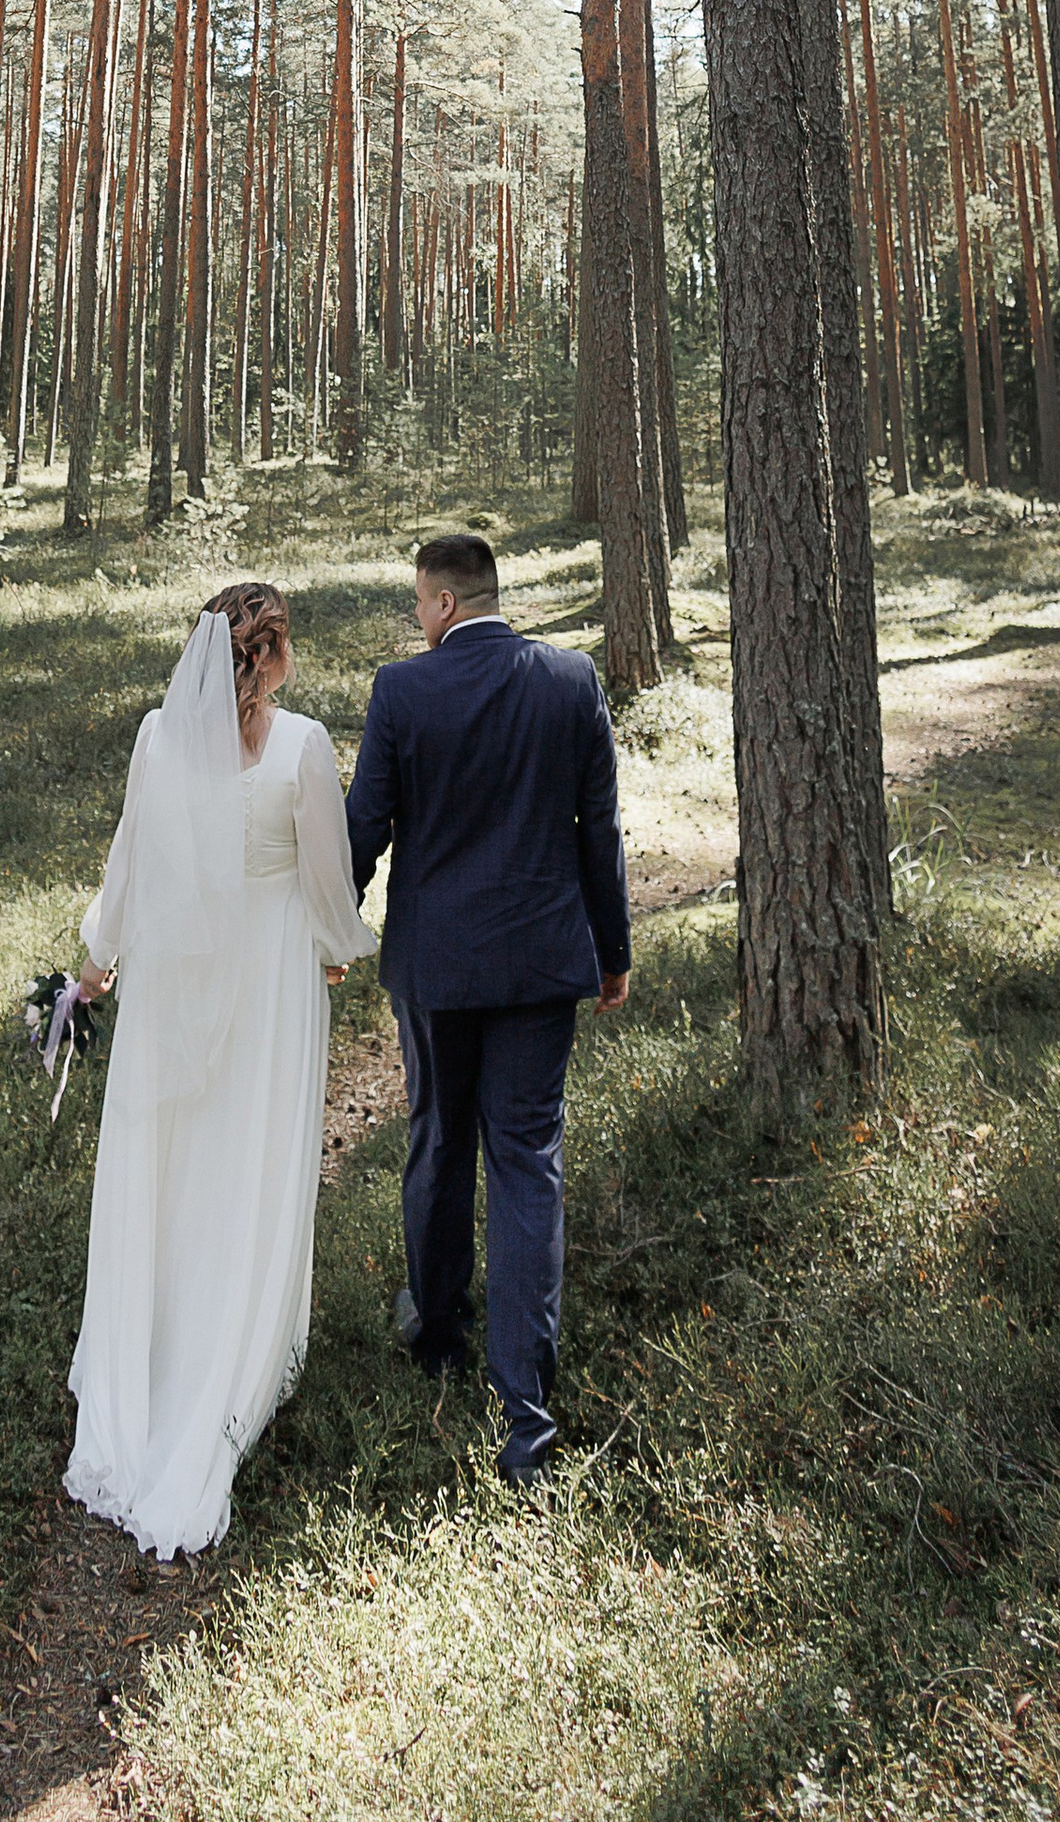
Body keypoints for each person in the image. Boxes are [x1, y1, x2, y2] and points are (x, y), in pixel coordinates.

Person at [65, 579, 376, 1559]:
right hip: (274, 975)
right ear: (274, 654)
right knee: (248, 1159)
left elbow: (129, 858)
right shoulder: (303, 745)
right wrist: (338, 941)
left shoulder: (159, 736)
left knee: (175, 1158)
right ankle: (229, 1362)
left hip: (171, 981)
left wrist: (98, 954)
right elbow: (328, 877)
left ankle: (150, 1358)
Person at [345, 526, 630, 1484]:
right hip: (543, 966)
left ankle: (435, 1328)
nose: (419, 619)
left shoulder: (403, 690)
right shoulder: (570, 680)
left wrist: (326, 939)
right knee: (526, 1164)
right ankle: (528, 1417)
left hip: (435, 968)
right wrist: (612, 954)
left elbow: (363, 830)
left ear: (443, 602)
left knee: (438, 1137)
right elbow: (601, 830)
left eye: (421, 602)